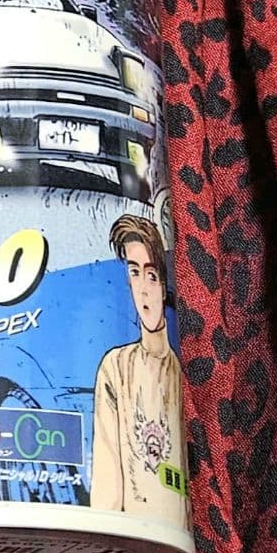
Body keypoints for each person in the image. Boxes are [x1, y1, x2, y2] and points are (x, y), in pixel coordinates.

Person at [90, 214, 190, 530]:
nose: (144, 290)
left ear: (164, 285)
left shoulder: (183, 372)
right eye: (135, 273)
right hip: (129, 544)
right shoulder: (115, 368)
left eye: (151, 275)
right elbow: (106, 482)